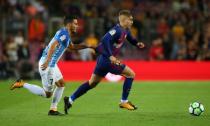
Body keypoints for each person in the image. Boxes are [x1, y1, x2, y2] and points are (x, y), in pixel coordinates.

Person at [64, 10, 145, 114]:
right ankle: (124, 101)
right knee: (131, 74)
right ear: (124, 20)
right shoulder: (117, 30)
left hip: (102, 61)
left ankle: (70, 99)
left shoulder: (125, 30)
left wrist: (137, 43)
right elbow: (105, 40)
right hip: (108, 60)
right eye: (131, 20)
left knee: (92, 83)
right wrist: (110, 56)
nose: (132, 22)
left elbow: (129, 37)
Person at [10, 15, 94, 116]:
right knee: (47, 94)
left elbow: (72, 47)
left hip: (52, 65)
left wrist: (88, 46)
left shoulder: (64, 33)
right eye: (75, 24)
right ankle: (22, 84)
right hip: (48, 66)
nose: (77, 26)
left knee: (62, 84)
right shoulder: (64, 34)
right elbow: (53, 45)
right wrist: (47, 61)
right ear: (69, 24)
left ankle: (53, 109)